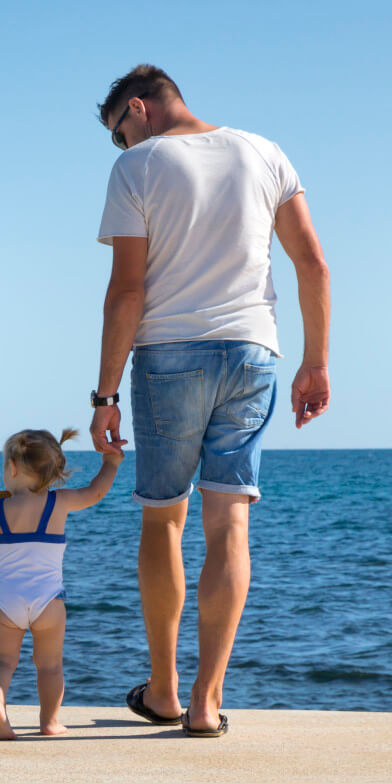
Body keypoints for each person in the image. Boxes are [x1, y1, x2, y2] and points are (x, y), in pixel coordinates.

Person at [90, 65, 331, 738]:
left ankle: (162, 690)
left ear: (137, 108)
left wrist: (104, 394)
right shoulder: (265, 152)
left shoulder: (138, 166)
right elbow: (311, 263)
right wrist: (315, 363)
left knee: (162, 521)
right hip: (253, 353)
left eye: (118, 131)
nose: (119, 143)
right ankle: (206, 702)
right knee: (228, 523)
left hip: (168, 355)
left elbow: (126, 293)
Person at [0, 428, 123, 740]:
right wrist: (110, 464)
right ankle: (50, 722)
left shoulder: (1, 508)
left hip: (7, 602)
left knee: (1, 661)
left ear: (13, 468)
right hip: (48, 602)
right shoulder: (60, 502)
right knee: (50, 666)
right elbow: (95, 492)